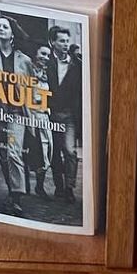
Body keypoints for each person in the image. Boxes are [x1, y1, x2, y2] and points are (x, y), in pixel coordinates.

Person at [0, 12, 32, 218]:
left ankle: (17, 198)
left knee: (13, 152)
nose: (1, 29)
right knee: (4, 155)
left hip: (17, 113)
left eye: (5, 27)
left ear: (12, 33)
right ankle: (12, 190)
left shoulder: (24, 60)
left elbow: (31, 87)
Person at [47, 24, 81, 204]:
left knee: (69, 151)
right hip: (50, 114)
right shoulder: (47, 63)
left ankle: (69, 187)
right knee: (54, 152)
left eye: (67, 41)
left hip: (69, 115)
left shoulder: (77, 65)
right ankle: (58, 186)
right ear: (53, 42)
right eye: (61, 41)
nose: (66, 44)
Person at [25, 42, 54, 197]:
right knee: (28, 149)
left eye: (48, 55)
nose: (46, 57)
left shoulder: (47, 73)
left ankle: (39, 186)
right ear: (35, 53)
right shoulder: (26, 69)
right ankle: (25, 185)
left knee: (46, 150)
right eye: (43, 54)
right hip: (28, 115)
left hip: (43, 116)